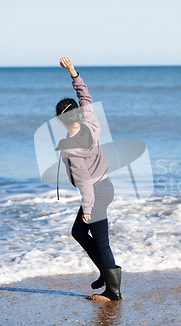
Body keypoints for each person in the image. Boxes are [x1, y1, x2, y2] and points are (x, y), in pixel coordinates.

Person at [55, 56, 121, 301]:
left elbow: (84, 182)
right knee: (79, 232)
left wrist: (88, 207)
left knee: (101, 242)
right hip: (105, 185)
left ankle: (113, 291)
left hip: (96, 192)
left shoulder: (71, 148)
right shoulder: (91, 122)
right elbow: (86, 97)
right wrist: (73, 72)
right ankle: (105, 274)